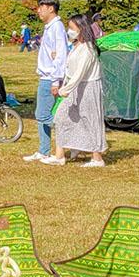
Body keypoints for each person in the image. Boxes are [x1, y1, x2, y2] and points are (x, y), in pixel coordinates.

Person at [42, 14, 106, 168]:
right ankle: (60, 155)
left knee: (90, 120)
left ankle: (97, 158)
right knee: (62, 117)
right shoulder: (77, 45)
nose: (69, 31)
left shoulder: (88, 49)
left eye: (71, 28)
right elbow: (71, 66)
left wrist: (64, 90)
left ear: (81, 29)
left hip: (87, 88)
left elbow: (79, 73)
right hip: (75, 87)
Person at [23, 0, 68, 162]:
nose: (38, 11)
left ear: (50, 8)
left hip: (50, 78)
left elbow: (61, 55)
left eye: (41, 7)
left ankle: (71, 136)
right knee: (41, 114)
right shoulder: (49, 27)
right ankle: (44, 150)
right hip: (45, 76)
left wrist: (56, 80)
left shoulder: (57, 27)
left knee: (43, 115)